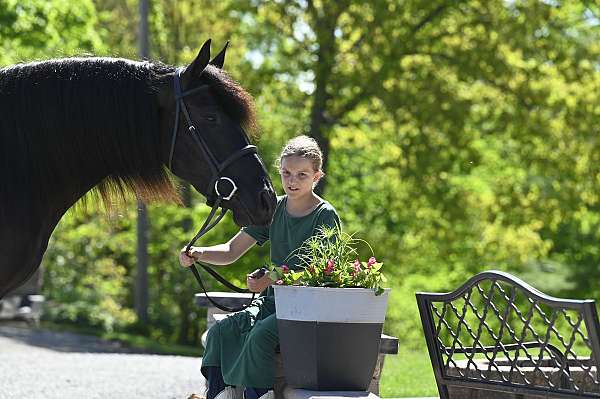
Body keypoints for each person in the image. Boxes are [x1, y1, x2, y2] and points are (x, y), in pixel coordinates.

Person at [180, 135, 340, 399]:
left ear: (317, 176)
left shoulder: (325, 215)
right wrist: (198, 253)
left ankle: (259, 395)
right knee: (220, 332)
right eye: (287, 173)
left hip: (307, 308)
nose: (292, 181)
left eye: (302, 175)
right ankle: (220, 394)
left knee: (260, 336)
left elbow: (321, 272)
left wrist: (272, 278)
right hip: (270, 304)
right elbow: (232, 250)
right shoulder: (273, 208)